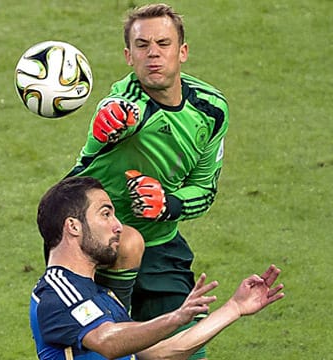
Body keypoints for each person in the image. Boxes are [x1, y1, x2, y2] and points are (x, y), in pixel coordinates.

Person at [65, 4, 229, 359]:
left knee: (187, 348)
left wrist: (167, 203)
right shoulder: (125, 105)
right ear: (128, 55)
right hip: (92, 245)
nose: (153, 53)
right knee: (110, 347)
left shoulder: (211, 110)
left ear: (182, 51)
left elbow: (205, 191)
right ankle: (118, 320)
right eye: (142, 45)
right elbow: (115, 114)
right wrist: (107, 124)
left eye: (163, 43)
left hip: (161, 245)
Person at [30, 176, 285, 360]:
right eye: (105, 214)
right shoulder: (58, 292)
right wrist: (175, 318)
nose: (118, 226)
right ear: (73, 226)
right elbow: (106, 342)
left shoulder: (100, 296)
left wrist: (234, 308)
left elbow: (159, 354)